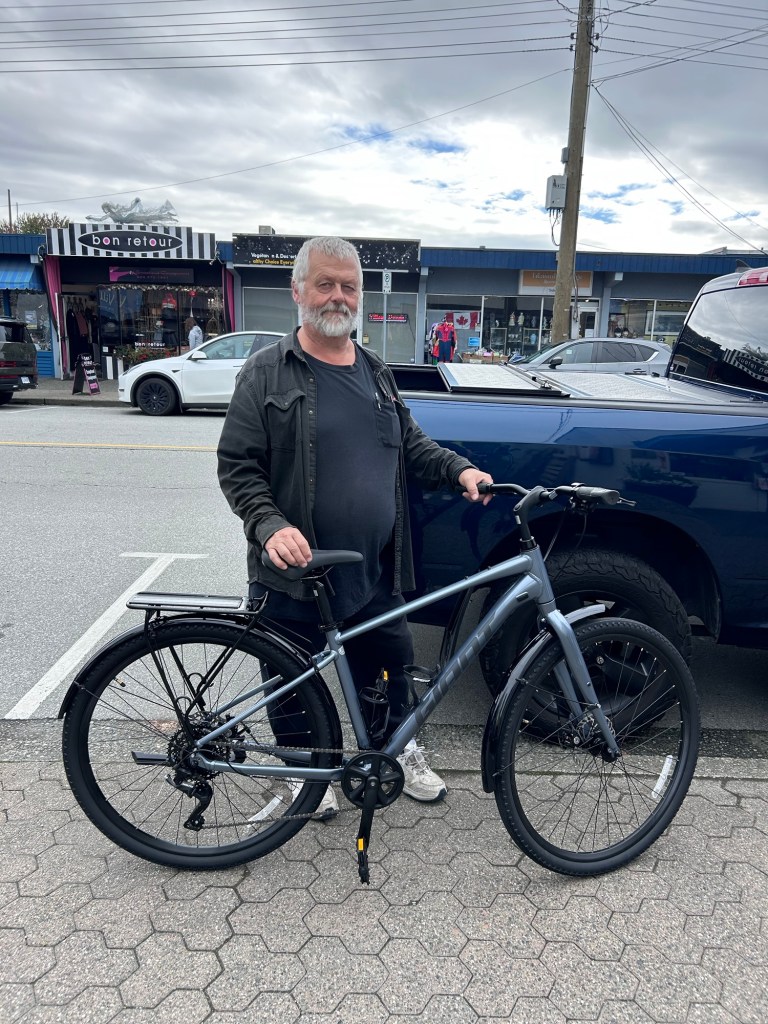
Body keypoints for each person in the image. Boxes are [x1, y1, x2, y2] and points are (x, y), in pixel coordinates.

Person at [217, 236, 493, 818]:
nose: (338, 297)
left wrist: (459, 469)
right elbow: (238, 467)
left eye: (348, 287)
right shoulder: (265, 372)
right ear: (298, 291)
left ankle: (395, 751)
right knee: (291, 679)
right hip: (294, 570)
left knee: (388, 665)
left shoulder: (375, 371)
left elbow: (412, 445)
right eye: (325, 284)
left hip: (373, 567)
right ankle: (303, 774)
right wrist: (269, 526)